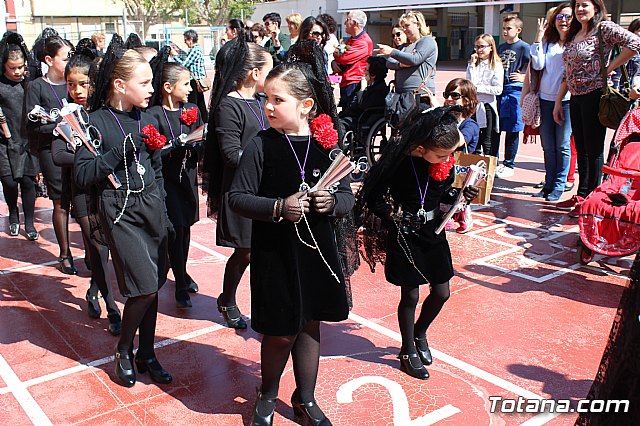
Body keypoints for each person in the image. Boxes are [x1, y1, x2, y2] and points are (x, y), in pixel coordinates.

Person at [228, 41, 353, 426]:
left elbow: (347, 197)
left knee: (310, 324)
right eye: (266, 97)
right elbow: (237, 197)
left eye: (277, 100)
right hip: (275, 253)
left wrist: (331, 205)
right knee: (281, 331)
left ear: (305, 105)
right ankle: (267, 395)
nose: (267, 106)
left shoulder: (327, 144)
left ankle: (306, 398)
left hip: (317, 253)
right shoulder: (260, 146)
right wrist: (279, 207)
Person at [75, 37, 172, 388]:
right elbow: (84, 175)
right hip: (119, 212)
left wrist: (164, 213)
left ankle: (148, 352)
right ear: (119, 85)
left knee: (154, 286)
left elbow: (157, 170)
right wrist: (118, 153)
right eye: (144, 83)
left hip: (151, 210)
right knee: (143, 288)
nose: (151, 89)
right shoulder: (95, 121)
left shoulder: (147, 118)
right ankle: (124, 349)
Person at [358, 106, 479, 380]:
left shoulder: (442, 162)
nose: (447, 160)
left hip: (433, 232)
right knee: (410, 294)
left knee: (442, 291)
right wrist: (392, 216)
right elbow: (373, 195)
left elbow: (443, 194)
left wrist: (462, 194)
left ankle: (420, 332)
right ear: (422, 148)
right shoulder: (398, 162)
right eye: (442, 154)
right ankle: (407, 349)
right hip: (404, 232)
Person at [50, 43, 122, 334]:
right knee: (97, 249)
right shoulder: (67, 115)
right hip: (81, 191)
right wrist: (88, 156)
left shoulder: (104, 112)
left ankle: (94, 290)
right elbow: (57, 155)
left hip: (107, 190)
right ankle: (112, 307)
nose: (77, 90)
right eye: (71, 84)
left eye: (83, 84)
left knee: (105, 253)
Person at [203, 37, 273, 329]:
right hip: (243, 190)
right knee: (244, 251)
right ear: (254, 73)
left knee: (265, 251)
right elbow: (231, 154)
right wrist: (268, 160)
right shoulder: (228, 106)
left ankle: (264, 304)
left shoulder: (261, 102)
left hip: (266, 188)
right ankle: (227, 298)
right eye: (268, 71)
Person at [554, 0, 640, 217]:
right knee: (581, 148)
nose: (580, 9)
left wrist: (610, 66)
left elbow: (635, 43)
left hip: (595, 95)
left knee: (593, 150)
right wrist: (558, 101)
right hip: (575, 96)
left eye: (584, 5)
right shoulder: (574, 34)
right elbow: (568, 69)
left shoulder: (604, 28)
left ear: (596, 7)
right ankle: (581, 193)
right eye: (577, 6)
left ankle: (592, 196)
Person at [148, 58, 203, 309]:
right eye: (185, 84)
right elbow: (153, 154)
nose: (190, 89)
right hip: (167, 180)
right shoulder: (154, 113)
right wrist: (173, 146)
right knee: (175, 230)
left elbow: (202, 137)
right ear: (168, 87)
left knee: (186, 229)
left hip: (187, 178)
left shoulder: (191, 109)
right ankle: (180, 282)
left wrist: (197, 144)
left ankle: (182, 271)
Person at [25, 35, 77, 274]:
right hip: (51, 151)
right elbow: (32, 126)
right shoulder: (36, 87)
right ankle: (65, 254)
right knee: (60, 201)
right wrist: (57, 123)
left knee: (82, 198)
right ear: (49, 59)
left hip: (77, 149)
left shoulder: (74, 83)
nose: (70, 62)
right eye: (66, 58)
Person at [526, 3, 572, 203]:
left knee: (562, 145)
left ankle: (559, 185)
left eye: (568, 17)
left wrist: (560, 100)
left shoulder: (575, 42)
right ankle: (549, 183)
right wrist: (538, 37)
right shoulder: (548, 41)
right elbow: (537, 64)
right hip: (545, 98)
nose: (564, 21)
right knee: (548, 145)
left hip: (566, 101)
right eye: (560, 17)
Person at [0, 32, 38, 241]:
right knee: (10, 182)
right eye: (12, 67)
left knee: (28, 182)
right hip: (4, 141)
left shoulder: (29, 83)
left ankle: (30, 223)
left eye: (20, 66)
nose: (17, 71)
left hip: (27, 140)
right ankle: (13, 214)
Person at [493, 14, 530, 179]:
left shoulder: (524, 47)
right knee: (495, 127)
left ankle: (509, 163)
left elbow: (534, 67)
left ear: (518, 30)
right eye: (504, 28)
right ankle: (494, 161)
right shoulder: (500, 48)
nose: (505, 32)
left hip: (514, 91)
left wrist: (524, 77)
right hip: (499, 90)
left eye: (509, 28)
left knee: (513, 128)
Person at [376, 11, 438, 101]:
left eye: (407, 26)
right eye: (403, 27)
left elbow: (415, 59)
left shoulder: (427, 41)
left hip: (420, 95)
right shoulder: (404, 47)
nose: (405, 30)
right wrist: (400, 64)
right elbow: (389, 62)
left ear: (418, 25)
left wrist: (392, 52)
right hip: (402, 96)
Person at [466, 34, 503, 156]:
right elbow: (469, 83)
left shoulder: (496, 65)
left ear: (491, 47)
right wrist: (472, 65)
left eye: (482, 46)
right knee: (474, 138)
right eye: (477, 47)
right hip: (474, 106)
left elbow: (498, 89)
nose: (479, 50)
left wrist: (478, 88)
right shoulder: (474, 63)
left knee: (487, 140)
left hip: (487, 106)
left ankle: (488, 169)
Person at [333, 10, 373, 108]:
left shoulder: (363, 41)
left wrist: (336, 57)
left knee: (350, 113)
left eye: (347, 20)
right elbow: (338, 54)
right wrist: (334, 61)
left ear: (354, 23)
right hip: (346, 81)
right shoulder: (352, 39)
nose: (345, 23)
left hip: (354, 82)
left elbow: (344, 58)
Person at [339, 56, 389, 132]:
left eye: (366, 70)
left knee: (339, 126)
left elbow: (363, 105)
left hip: (362, 120)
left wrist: (363, 89)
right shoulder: (370, 85)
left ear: (373, 74)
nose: (364, 72)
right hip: (353, 115)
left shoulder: (379, 89)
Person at [170, 29, 208, 122]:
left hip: (195, 81)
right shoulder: (195, 49)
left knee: (193, 103)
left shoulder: (195, 50)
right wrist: (179, 52)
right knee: (200, 103)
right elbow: (187, 58)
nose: (185, 42)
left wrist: (175, 56)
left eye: (186, 40)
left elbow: (184, 65)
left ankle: (195, 121)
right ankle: (204, 121)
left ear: (190, 39)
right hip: (196, 80)